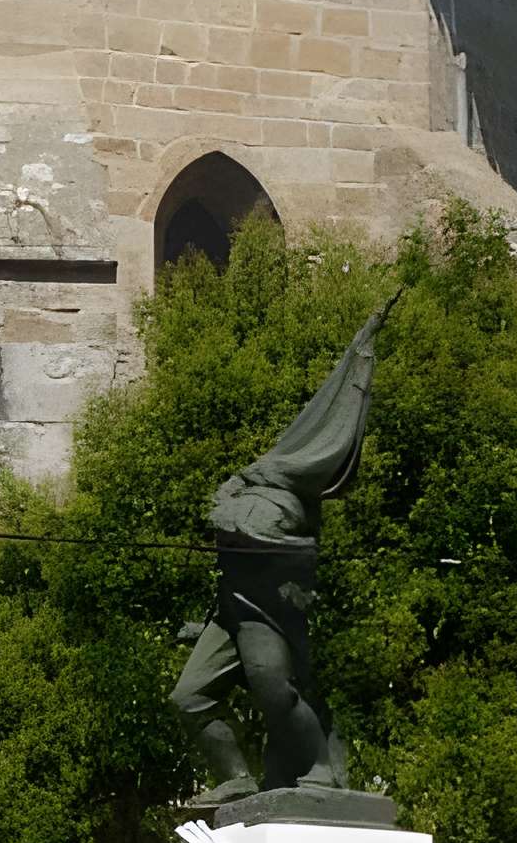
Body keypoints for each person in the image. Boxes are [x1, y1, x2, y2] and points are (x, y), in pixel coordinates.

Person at [167, 290, 399, 800]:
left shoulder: (292, 504)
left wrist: (230, 511)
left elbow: (271, 545)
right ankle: (235, 779)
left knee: (274, 693)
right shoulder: (256, 483)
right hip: (229, 613)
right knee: (189, 698)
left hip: (264, 615)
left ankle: (323, 771)